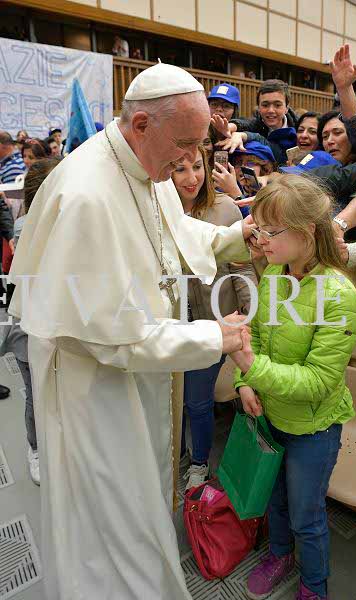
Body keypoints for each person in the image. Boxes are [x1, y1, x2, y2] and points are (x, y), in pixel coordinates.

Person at [8, 63, 255, 600]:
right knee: (111, 527)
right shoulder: (86, 195)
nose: (189, 159)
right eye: (184, 144)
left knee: (142, 508)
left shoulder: (145, 167)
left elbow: (176, 231)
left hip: (139, 374)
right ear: (141, 124)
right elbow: (109, 338)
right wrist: (213, 338)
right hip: (96, 392)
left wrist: (240, 234)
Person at [230, 174, 356, 600]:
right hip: (270, 413)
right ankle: (280, 555)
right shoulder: (274, 273)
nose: (260, 240)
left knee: (307, 513)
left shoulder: (339, 295)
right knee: (275, 498)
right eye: (258, 229)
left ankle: (314, 584)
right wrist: (244, 383)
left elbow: (319, 382)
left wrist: (250, 368)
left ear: (306, 232)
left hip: (313, 428)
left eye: (270, 231)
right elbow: (256, 335)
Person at [171, 145, 257, 489]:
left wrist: (248, 315)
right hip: (172, 323)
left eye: (197, 167)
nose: (191, 178)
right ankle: (174, 453)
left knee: (197, 401)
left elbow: (243, 267)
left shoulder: (224, 208)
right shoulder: (158, 212)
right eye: (179, 169)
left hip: (214, 323)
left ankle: (199, 462)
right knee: (171, 399)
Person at [0, 157, 61, 484]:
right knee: (36, 395)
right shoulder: (27, 228)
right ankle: (35, 448)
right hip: (31, 328)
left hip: (60, 325)